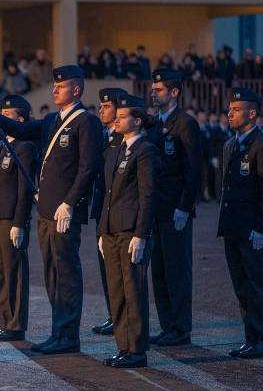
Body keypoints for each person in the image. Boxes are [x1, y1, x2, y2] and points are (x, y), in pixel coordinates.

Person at [0, 65, 102, 355]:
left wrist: (71, 202)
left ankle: (68, 335)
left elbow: (88, 168)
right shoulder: (50, 120)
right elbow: (21, 129)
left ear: (76, 90)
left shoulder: (86, 122)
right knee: (51, 274)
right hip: (47, 211)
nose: (55, 89)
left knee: (66, 272)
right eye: (54, 86)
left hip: (64, 212)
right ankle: (58, 332)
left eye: (61, 86)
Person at [218, 88, 263, 359]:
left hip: (254, 231)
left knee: (260, 286)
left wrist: (262, 228)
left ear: (251, 113)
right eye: (229, 109)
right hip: (233, 228)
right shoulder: (230, 144)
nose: (230, 113)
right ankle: (250, 337)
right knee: (242, 287)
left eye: (236, 109)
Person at [98, 95, 160, 369]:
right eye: (118, 116)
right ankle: (123, 346)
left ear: (137, 120)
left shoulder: (145, 151)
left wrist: (141, 234)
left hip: (131, 231)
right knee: (116, 291)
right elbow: (107, 195)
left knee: (133, 290)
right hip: (111, 230)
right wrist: (102, 231)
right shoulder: (114, 150)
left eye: (123, 116)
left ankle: (137, 350)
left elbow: (147, 196)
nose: (118, 119)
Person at [146, 68, 202, 347]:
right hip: (156, 210)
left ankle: (181, 329)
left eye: (159, 89)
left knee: (177, 270)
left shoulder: (185, 123)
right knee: (159, 272)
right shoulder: (155, 124)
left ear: (174, 92)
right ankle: (168, 325)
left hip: (175, 211)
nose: (153, 93)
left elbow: (193, 170)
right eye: (153, 89)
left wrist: (184, 206)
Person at [0, 95, 38, 343]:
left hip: (10, 220)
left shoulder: (24, 147)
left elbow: (25, 189)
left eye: (8, 116)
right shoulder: (0, 145)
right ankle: (5, 322)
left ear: (21, 119)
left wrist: (19, 222)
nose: (3, 118)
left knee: (14, 272)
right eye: (1, 114)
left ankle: (16, 325)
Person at [89, 88, 127, 337]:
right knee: (106, 268)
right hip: (102, 209)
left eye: (106, 107)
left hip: (118, 213)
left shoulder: (124, 138)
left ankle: (122, 317)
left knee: (119, 270)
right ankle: (114, 314)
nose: (101, 110)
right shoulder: (103, 135)